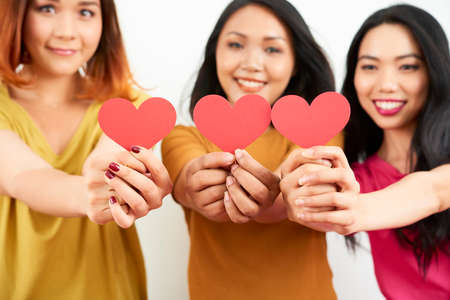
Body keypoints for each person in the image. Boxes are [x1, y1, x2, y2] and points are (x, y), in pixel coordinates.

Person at [161, 0, 342, 299]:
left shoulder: (322, 131)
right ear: (214, 53)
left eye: (272, 49)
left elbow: (292, 200)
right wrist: (196, 188)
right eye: (235, 45)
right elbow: (187, 186)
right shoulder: (180, 138)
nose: (251, 63)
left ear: (296, 63)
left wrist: (274, 198)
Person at [0, 0, 172, 299]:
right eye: (48, 8)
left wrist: (110, 178)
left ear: (104, 24)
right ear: (18, 15)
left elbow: (106, 161)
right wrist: (87, 193)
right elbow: (21, 175)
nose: (67, 32)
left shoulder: (133, 108)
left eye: (85, 12)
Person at [280, 4, 450, 299]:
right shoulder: (356, 179)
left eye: (408, 66)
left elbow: (435, 190)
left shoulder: (360, 197)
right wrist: (284, 191)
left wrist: (357, 210)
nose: (385, 85)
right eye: (369, 66)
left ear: (435, 71)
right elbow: (280, 203)